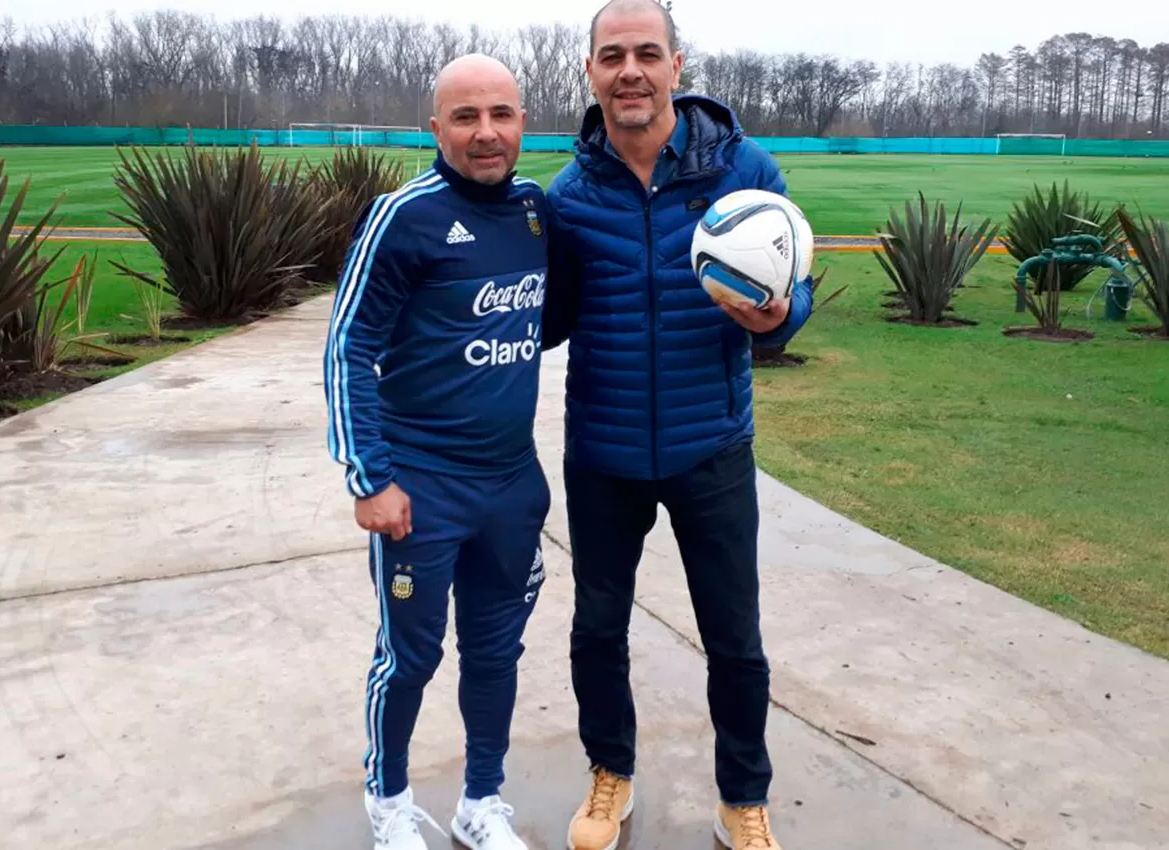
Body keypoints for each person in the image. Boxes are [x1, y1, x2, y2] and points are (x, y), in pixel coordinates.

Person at [538, 2, 813, 849]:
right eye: (612, 55)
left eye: (646, 54)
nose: (630, 71)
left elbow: (793, 288)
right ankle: (609, 776)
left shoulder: (744, 169)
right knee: (597, 629)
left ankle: (742, 795)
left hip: (712, 447)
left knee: (734, 635)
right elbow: (546, 320)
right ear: (590, 71)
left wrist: (779, 320)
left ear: (676, 66)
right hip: (605, 451)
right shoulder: (569, 194)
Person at [323, 53, 553, 850]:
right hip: (420, 491)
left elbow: (536, 322)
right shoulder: (404, 216)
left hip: (512, 487)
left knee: (495, 653)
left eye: (502, 114)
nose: (486, 133)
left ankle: (480, 803)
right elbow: (348, 348)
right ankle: (388, 801)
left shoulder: (532, 212)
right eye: (466, 117)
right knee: (410, 659)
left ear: (523, 121)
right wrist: (370, 477)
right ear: (436, 128)